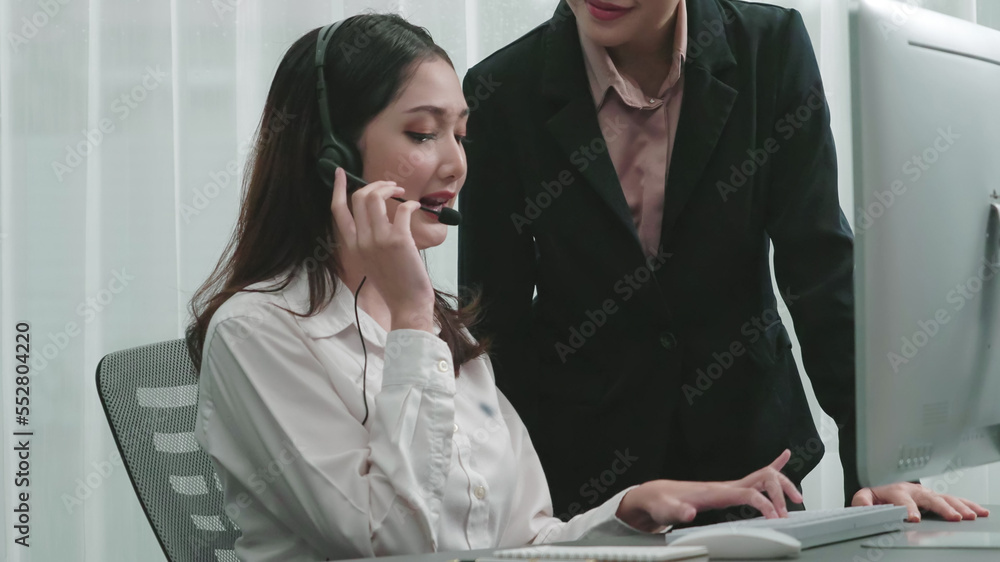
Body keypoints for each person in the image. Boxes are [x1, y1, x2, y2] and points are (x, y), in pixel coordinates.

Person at [185, 14, 806, 562]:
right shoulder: (258, 333)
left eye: (462, 134)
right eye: (423, 134)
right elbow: (393, 545)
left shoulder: (438, 328)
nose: (456, 165)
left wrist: (624, 513)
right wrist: (409, 318)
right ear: (333, 155)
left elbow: (524, 540)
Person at [458, 0, 990, 525]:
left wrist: (880, 466)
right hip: (588, 480)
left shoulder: (768, 46)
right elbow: (493, 321)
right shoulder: (503, 88)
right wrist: (509, 504)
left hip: (749, 460)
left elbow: (820, 266)